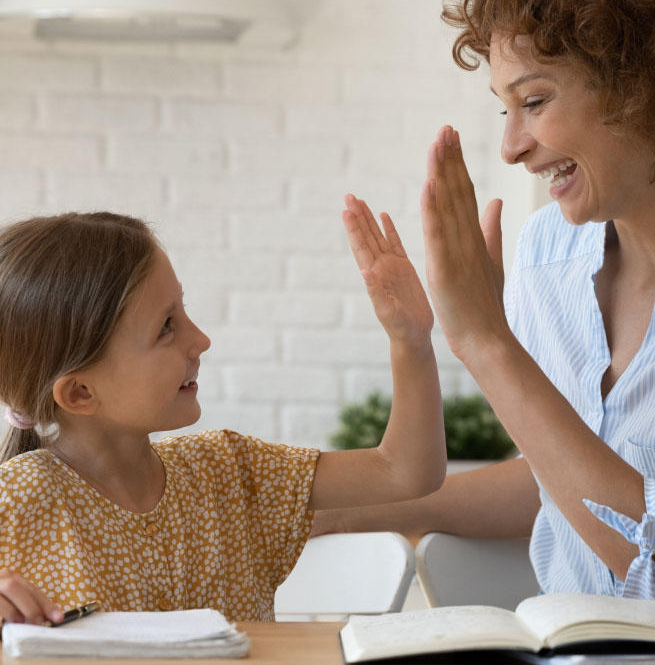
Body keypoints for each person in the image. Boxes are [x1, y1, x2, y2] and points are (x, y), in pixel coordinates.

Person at [314, 0, 655, 623]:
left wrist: (487, 343)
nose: (512, 145)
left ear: (645, 83)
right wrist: (352, 514)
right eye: (502, 110)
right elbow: (561, 480)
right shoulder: (551, 251)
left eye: (534, 101)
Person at [0, 201, 446, 625]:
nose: (200, 340)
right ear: (79, 392)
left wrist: (411, 342)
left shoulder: (229, 471)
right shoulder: (16, 504)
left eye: (183, 310)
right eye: (166, 327)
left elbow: (405, 472)